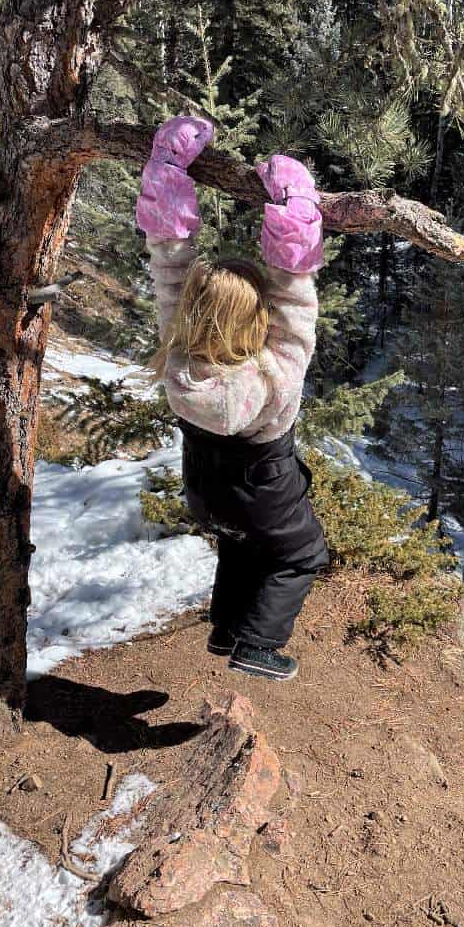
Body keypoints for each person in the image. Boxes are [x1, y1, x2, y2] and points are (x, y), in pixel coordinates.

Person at [135, 115, 329, 682]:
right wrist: (295, 200)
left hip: (206, 489)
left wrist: (169, 169)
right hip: (267, 488)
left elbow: (170, 270)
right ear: (258, 322)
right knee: (300, 555)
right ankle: (258, 645)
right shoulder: (275, 373)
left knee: (240, 544)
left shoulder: (179, 357)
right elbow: (296, 299)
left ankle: (225, 629)